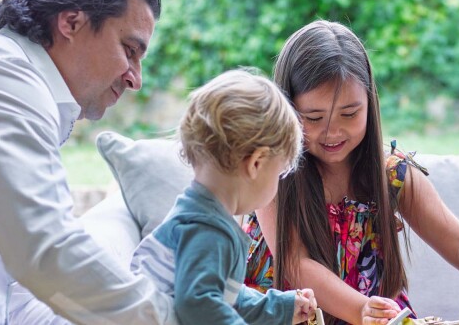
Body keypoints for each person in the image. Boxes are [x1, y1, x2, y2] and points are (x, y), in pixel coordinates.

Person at [243, 20, 459, 325]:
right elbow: (296, 264)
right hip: (291, 316)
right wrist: (360, 310)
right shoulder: (273, 172)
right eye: (313, 118)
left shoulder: (392, 174)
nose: (333, 132)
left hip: (375, 318)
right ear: (287, 108)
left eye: (349, 113)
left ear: (369, 103)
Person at [0, 0, 178, 323]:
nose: (135, 79)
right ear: (71, 22)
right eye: (129, 50)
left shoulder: (19, 87)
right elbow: (47, 251)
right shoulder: (2, 74)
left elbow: (15, 284)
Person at [130, 69, 318, 324]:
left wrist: (280, 307)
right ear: (256, 163)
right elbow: (199, 305)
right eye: (279, 173)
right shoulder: (207, 230)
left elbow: (226, 299)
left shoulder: (200, 217)